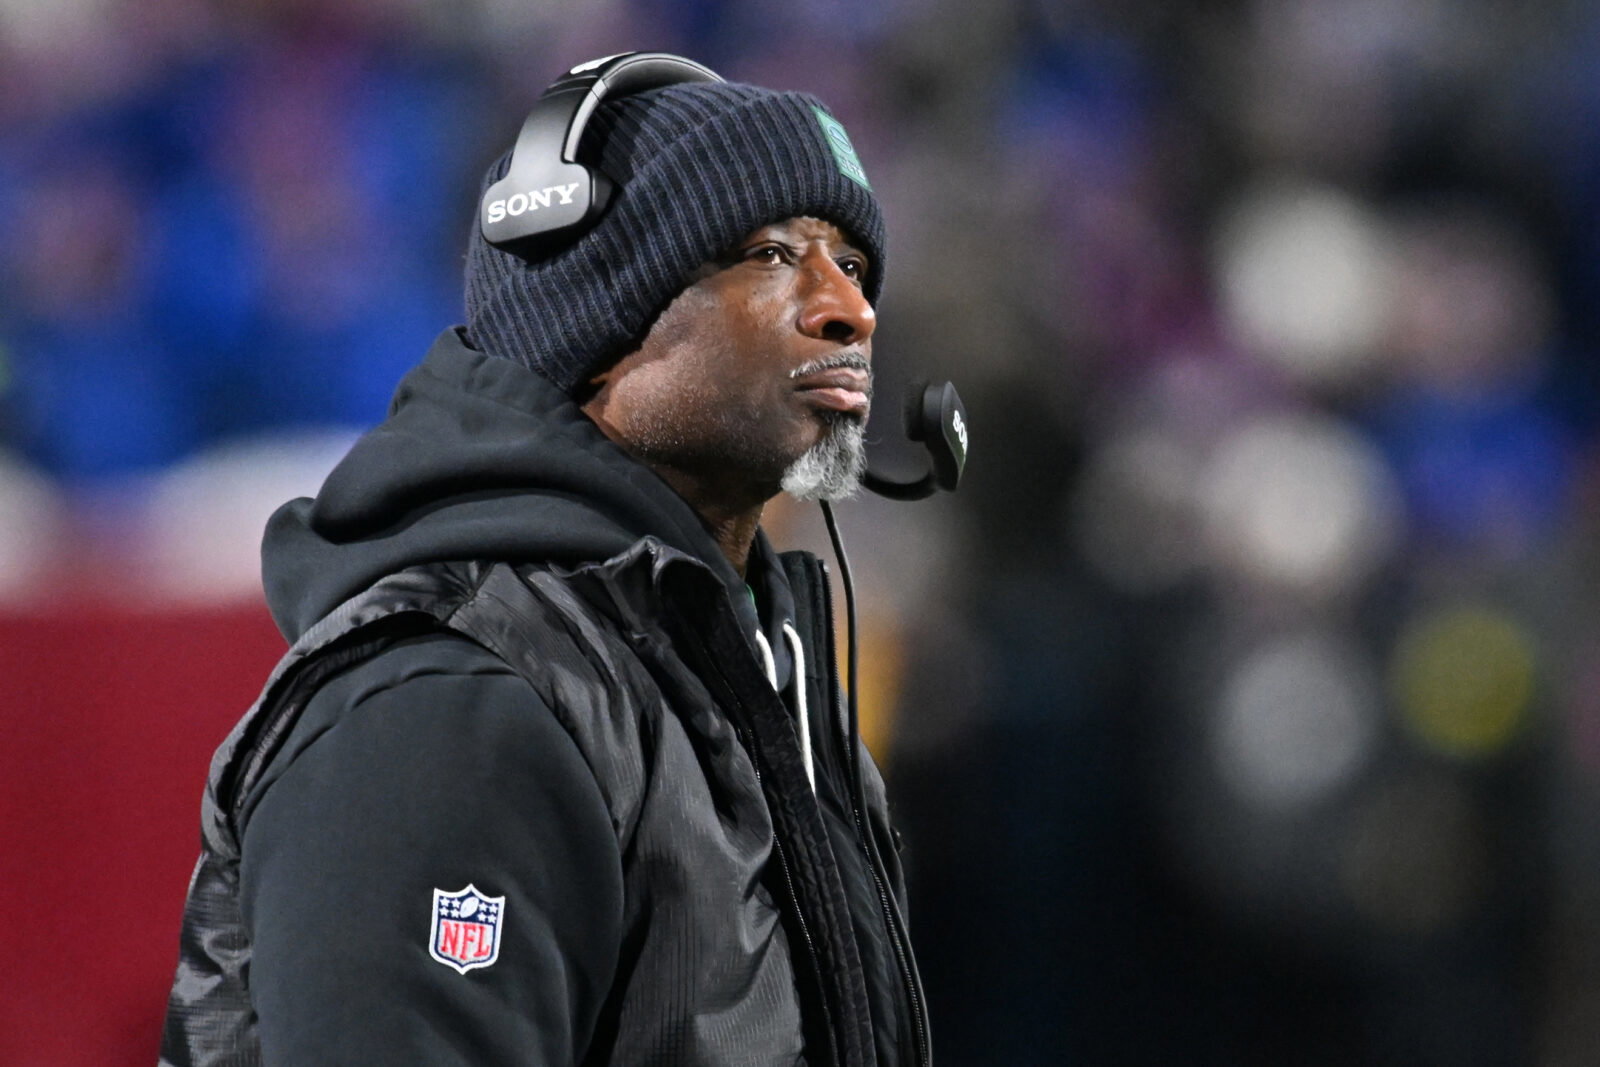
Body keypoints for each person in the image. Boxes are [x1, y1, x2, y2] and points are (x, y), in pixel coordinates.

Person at [160, 56, 929, 1067]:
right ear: (600, 317)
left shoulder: (753, 669)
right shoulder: (450, 702)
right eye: (772, 253)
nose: (848, 310)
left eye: (855, 267)